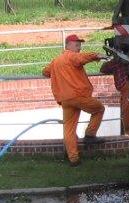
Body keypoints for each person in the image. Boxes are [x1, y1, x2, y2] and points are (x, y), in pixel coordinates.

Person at [42, 34, 104, 166]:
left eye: (79, 45)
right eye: (77, 44)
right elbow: (81, 58)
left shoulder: (55, 61)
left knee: (69, 129)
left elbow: (45, 72)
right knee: (99, 109)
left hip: (65, 99)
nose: (79, 47)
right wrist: (96, 55)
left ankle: (74, 159)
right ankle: (90, 134)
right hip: (78, 96)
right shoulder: (71, 56)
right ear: (68, 45)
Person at [100, 54, 129, 136]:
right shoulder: (118, 62)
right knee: (127, 109)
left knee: (126, 110)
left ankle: (128, 132)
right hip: (128, 87)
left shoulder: (116, 62)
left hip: (127, 88)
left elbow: (103, 69)